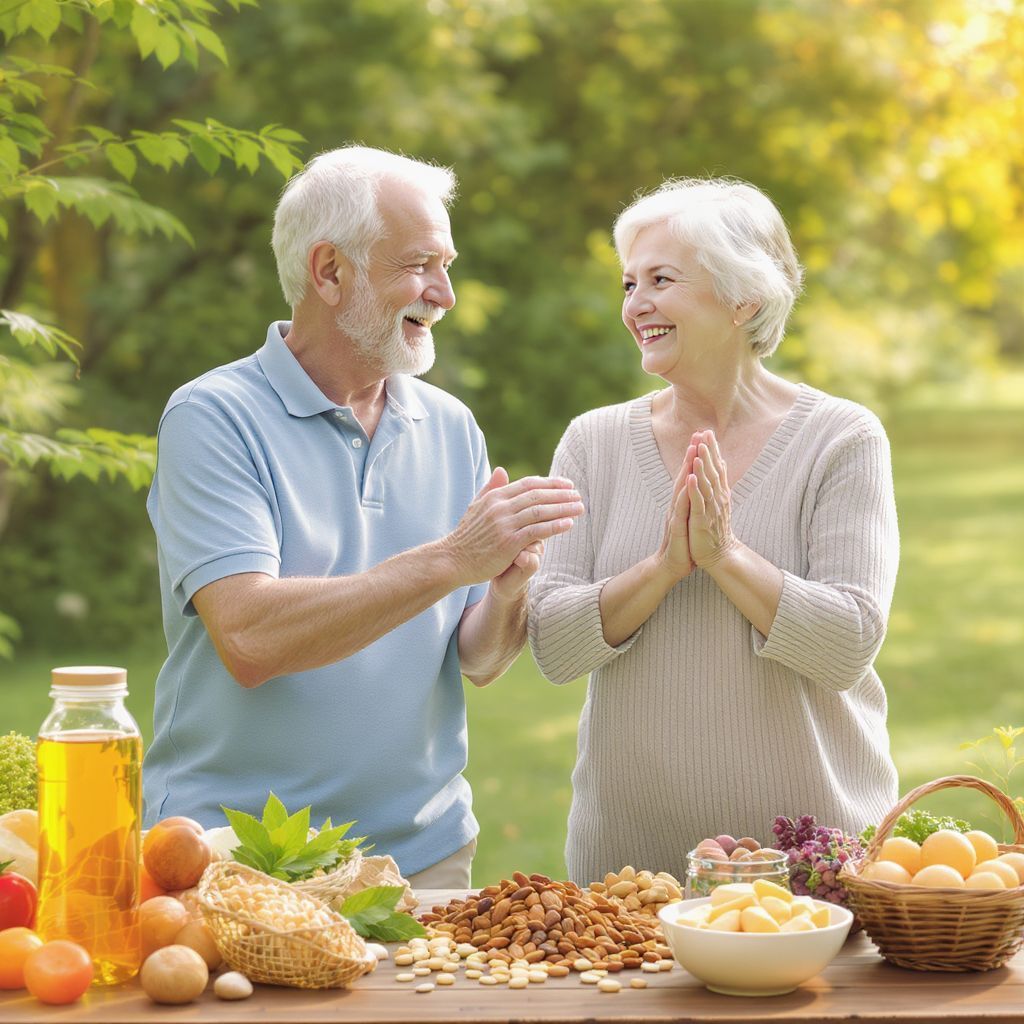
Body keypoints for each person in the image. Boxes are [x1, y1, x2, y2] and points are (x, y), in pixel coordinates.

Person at [143, 146, 583, 888]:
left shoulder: (451, 426)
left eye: (447, 266)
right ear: (329, 272)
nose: (443, 293)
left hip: (424, 856)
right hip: (237, 858)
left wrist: (506, 589)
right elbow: (249, 636)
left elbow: (476, 660)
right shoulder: (214, 416)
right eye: (418, 265)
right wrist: (452, 559)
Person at [528, 178, 900, 885]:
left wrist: (725, 556)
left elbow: (849, 642)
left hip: (810, 870)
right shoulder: (593, 442)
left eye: (661, 280)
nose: (636, 304)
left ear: (743, 298)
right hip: (627, 873)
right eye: (629, 283)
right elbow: (553, 642)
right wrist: (663, 568)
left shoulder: (841, 438)